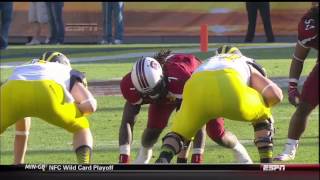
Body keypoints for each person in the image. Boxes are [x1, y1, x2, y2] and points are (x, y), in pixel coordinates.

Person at [119, 50, 252, 164]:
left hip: (199, 84)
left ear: (162, 77)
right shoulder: (130, 85)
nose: (153, 97)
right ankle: (144, 156)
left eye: (155, 91)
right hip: (172, 89)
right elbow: (128, 121)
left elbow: (198, 118)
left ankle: (241, 154)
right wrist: (124, 159)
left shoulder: (182, 78)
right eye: (148, 94)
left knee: (217, 134)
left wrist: (197, 157)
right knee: (153, 129)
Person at [155, 45, 283, 164]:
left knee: (178, 135)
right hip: (229, 84)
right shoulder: (243, 61)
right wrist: (263, 108)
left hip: (195, 85)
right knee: (264, 118)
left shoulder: (208, 62)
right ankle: (267, 166)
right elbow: (275, 95)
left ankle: (162, 161)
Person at [0, 51, 97, 164]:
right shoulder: (66, 71)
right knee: (82, 127)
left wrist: (18, 163)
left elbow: (21, 131)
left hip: (11, 88)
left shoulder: (27, 66)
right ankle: (84, 167)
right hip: (47, 90)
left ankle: (17, 166)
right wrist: (76, 109)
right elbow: (91, 105)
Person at [274, 3, 318, 161]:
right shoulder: (310, 23)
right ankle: (289, 149)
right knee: (304, 106)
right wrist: (292, 87)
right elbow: (299, 57)